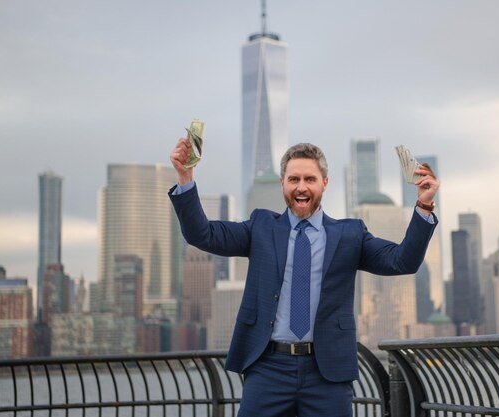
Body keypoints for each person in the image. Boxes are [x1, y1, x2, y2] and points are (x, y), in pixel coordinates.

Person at [169, 139, 439, 417]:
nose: (301, 187)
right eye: (294, 179)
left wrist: (424, 205)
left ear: (324, 183)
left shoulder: (350, 234)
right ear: (283, 184)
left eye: (310, 179)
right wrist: (185, 177)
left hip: (327, 372)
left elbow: (402, 261)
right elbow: (202, 234)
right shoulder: (261, 227)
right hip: (268, 368)